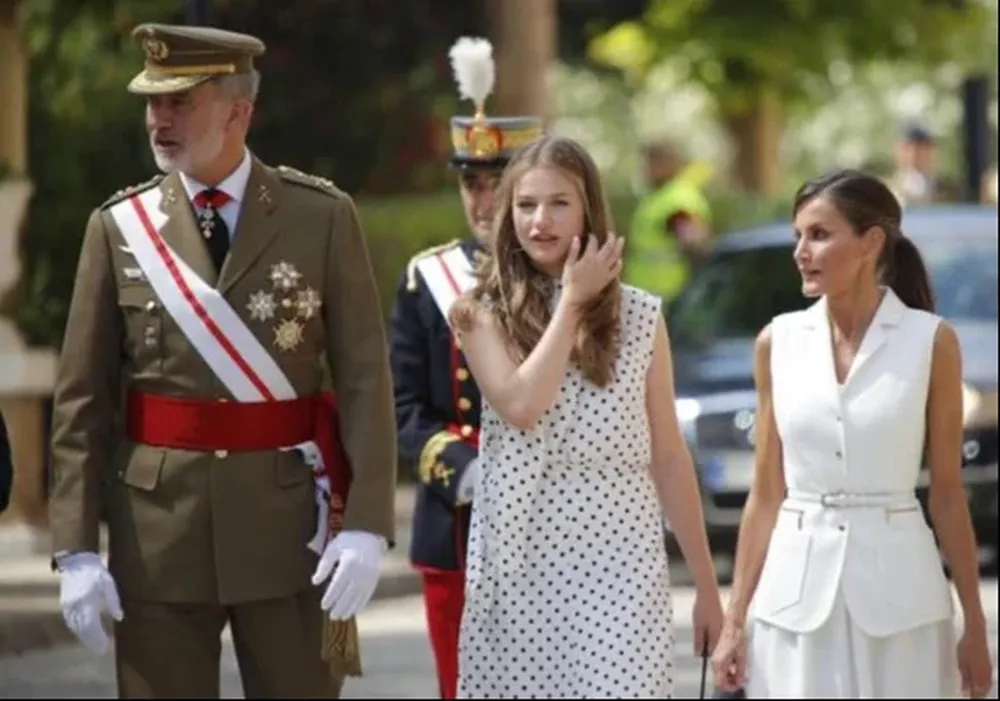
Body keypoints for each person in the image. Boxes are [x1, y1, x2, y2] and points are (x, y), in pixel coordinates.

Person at [47, 23, 397, 698]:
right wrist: (77, 545)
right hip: (158, 531)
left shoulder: (319, 216)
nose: (158, 118)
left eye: (180, 101)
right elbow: (82, 398)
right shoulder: (119, 226)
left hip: (290, 530)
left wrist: (368, 524)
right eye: (152, 102)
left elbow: (362, 377)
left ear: (239, 111)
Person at [448, 134, 724, 698]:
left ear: (588, 211)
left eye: (559, 203)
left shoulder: (642, 315)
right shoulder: (478, 313)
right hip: (520, 556)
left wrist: (706, 584)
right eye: (525, 205)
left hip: (622, 553)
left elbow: (668, 455)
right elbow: (524, 405)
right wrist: (572, 303)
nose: (540, 220)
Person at [711, 169, 994, 698]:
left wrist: (974, 627)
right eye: (799, 235)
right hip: (794, 606)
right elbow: (766, 493)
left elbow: (949, 496)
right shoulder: (777, 341)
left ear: (871, 242)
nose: (801, 250)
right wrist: (733, 624)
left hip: (903, 606)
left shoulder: (931, 342)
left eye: (819, 234)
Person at [388, 36, 543, 700]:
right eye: (471, 183)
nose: (483, 200)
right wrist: (464, 469)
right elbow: (404, 411)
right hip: (457, 516)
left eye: (498, 184)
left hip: (550, 513)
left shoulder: (562, 277)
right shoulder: (429, 277)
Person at [623, 140, 714, 306]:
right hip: (647, 298)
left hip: (669, 300)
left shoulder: (677, 201)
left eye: (652, 163)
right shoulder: (657, 196)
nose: (646, 169)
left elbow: (697, 247)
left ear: (668, 164)